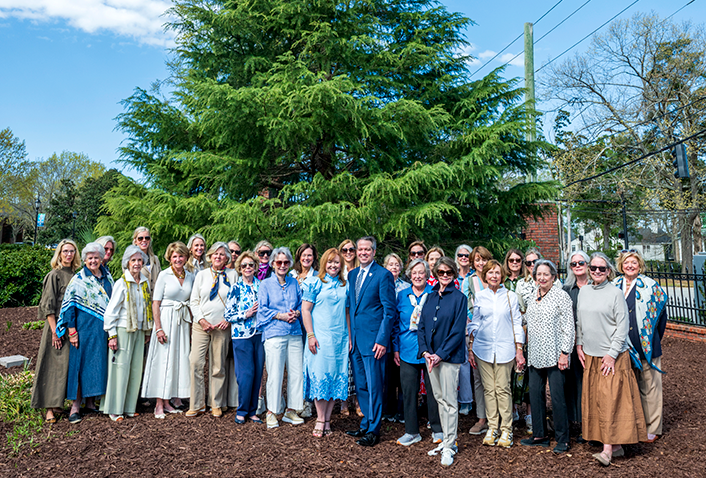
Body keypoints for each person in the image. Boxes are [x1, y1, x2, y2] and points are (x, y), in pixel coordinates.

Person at [577, 252, 647, 466]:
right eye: (593, 268)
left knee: (609, 402)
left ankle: (607, 451)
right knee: (596, 401)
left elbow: (622, 327)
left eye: (602, 268)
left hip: (612, 357)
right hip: (590, 355)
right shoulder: (584, 291)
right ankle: (615, 446)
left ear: (609, 271)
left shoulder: (615, 293)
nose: (597, 271)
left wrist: (611, 354)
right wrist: (579, 344)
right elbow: (580, 321)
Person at [345, 236, 396, 447]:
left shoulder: (383, 276)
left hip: (374, 341)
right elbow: (352, 308)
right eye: (360, 249)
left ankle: (374, 430)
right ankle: (366, 422)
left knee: (375, 385)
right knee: (362, 386)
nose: (363, 252)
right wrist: (350, 337)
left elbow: (389, 310)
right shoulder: (352, 274)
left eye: (367, 249)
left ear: (374, 252)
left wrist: (382, 340)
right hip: (356, 340)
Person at [519, 259, 574, 453]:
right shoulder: (533, 295)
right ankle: (540, 434)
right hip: (535, 354)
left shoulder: (561, 296)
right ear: (534, 277)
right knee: (535, 395)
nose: (542, 278)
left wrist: (565, 353)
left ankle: (563, 438)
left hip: (556, 353)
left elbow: (569, 326)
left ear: (553, 277)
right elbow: (526, 320)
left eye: (546, 274)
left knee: (558, 398)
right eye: (538, 274)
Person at [56, 242, 114, 424]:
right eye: (90, 258)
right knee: (79, 366)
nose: (93, 261)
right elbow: (69, 306)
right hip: (83, 328)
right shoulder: (79, 279)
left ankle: (90, 402)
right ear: (85, 260)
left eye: (96, 257)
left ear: (101, 258)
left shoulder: (107, 277)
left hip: (102, 329)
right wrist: (72, 330)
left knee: (97, 363)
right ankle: (75, 407)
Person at [417, 257, 468, 467]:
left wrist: (440, 354)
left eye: (448, 272)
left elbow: (457, 332)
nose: (444, 276)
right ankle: (446, 440)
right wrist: (425, 352)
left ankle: (449, 445)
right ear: (436, 274)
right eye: (441, 272)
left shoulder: (459, 298)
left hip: (448, 359)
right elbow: (421, 327)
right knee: (439, 399)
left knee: (449, 401)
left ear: (454, 274)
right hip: (431, 358)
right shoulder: (429, 298)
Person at [469, 259, 525, 448]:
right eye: (490, 273)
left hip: (504, 348)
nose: (494, 276)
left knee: (503, 388)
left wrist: (519, 349)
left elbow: (517, 323)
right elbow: (475, 321)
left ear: (502, 275)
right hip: (482, 349)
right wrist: (471, 341)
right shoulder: (480, 296)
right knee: (488, 389)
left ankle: (507, 429)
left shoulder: (510, 296)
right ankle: (493, 427)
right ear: (485, 275)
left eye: (497, 272)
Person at [614, 249, 668, 443]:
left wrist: (652, 339)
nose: (630, 266)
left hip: (646, 346)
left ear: (640, 266)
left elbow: (661, 316)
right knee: (630, 387)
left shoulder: (650, 286)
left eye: (634, 263)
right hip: (622, 347)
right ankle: (634, 424)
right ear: (621, 265)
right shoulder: (614, 285)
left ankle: (652, 427)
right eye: (627, 262)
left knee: (650, 386)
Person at [393, 259, 443, 447]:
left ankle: (437, 429)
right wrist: (395, 348)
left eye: (421, 272)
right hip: (407, 349)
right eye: (414, 273)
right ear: (409, 275)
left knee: (433, 391)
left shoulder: (434, 294)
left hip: (430, 350)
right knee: (408, 391)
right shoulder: (402, 295)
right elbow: (396, 324)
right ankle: (412, 431)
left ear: (427, 274)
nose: (418, 276)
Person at [31, 239, 81, 423]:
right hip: (57, 328)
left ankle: (58, 403)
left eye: (72, 251)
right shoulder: (54, 275)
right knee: (52, 367)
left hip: (71, 327)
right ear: (59, 254)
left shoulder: (75, 275)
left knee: (64, 367)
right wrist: (55, 331)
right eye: (65, 251)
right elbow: (48, 306)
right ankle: (49, 409)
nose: (69, 254)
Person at [142, 241, 194, 418]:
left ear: (186, 257)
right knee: (163, 360)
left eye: (181, 256)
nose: (178, 259)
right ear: (169, 258)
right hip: (166, 319)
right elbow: (155, 303)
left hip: (182, 322)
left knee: (178, 361)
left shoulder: (190, 276)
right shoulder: (164, 275)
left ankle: (169, 401)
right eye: (174, 256)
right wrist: (158, 328)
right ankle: (158, 403)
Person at [101, 246, 153, 421]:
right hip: (123, 329)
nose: (137, 264)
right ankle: (115, 409)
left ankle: (130, 407)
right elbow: (111, 312)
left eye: (140, 260)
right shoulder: (122, 282)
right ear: (127, 263)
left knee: (136, 368)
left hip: (139, 330)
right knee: (120, 368)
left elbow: (146, 308)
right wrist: (112, 335)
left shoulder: (145, 281)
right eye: (133, 260)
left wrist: (146, 330)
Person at [301, 248, 349, 437]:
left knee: (335, 378)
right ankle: (320, 419)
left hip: (340, 339)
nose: (333, 265)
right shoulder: (314, 282)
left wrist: (350, 338)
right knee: (320, 376)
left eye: (337, 262)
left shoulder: (345, 284)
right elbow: (305, 310)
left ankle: (328, 419)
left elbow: (347, 313)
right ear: (323, 263)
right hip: (319, 338)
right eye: (330, 262)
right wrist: (311, 335)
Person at [256, 247, 305, 429]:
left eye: (286, 262)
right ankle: (272, 412)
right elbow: (262, 309)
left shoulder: (294, 283)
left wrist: (297, 312)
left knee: (296, 373)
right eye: (279, 262)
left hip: (294, 332)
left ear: (290, 263)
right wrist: (280, 315)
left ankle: (291, 410)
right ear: (273, 264)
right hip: (274, 332)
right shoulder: (265, 284)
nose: (282, 265)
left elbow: (300, 303)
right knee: (275, 373)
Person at [187, 242, 237, 418]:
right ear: (209, 256)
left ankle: (215, 403)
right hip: (201, 326)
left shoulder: (233, 275)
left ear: (227, 258)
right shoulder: (201, 275)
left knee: (218, 366)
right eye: (215, 254)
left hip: (222, 327)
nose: (218, 257)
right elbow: (194, 301)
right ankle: (197, 404)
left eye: (222, 254)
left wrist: (228, 319)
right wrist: (201, 320)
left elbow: (237, 300)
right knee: (195, 362)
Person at [224, 251, 264, 425]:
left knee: (257, 373)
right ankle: (242, 410)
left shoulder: (262, 286)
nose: (248, 268)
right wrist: (246, 314)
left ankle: (253, 411)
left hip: (260, 334)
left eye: (251, 265)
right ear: (239, 269)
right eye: (244, 265)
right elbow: (228, 314)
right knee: (245, 374)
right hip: (241, 335)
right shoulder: (236, 288)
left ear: (255, 267)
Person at [461, 246, 492, 430]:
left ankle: (497, 417)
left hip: (496, 333)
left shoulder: (496, 277)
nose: (481, 263)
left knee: (496, 376)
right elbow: (467, 307)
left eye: (484, 259)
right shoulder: (469, 281)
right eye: (477, 259)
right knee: (479, 377)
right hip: (476, 333)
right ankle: (482, 418)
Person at [563, 250, 590, 433]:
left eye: (581, 263)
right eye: (574, 264)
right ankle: (575, 420)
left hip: (593, 341)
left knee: (590, 382)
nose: (578, 266)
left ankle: (590, 421)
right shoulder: (566, 290)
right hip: (572, 343)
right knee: (573, 382)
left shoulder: (596, 287)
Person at [382, 252, 407, 423]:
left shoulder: (406, 286)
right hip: (386, 332)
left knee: (402, 374)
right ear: (385, 267)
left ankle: (402, 411)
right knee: (388, 374)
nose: (394, 267)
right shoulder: (381, 283)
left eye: (397, 264)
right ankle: (388, 410)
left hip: (402, 333)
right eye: (391, 264)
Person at [337, 238, 361, 417]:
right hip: (342, 318)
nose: (348, 252)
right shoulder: (339, 272)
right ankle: (344, 401)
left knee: (357, 362)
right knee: (345, 361)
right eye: (344, 250)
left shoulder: (361, 270)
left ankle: (359, 401)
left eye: (351, 249)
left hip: (358, 318)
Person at [132, 227, 161, 291]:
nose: (144, 240)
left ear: (150, 240)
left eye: (147, 238)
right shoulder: (131, 260)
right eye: (140, 238)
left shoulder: (155, 259)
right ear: (135, 241)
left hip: (156, 299)